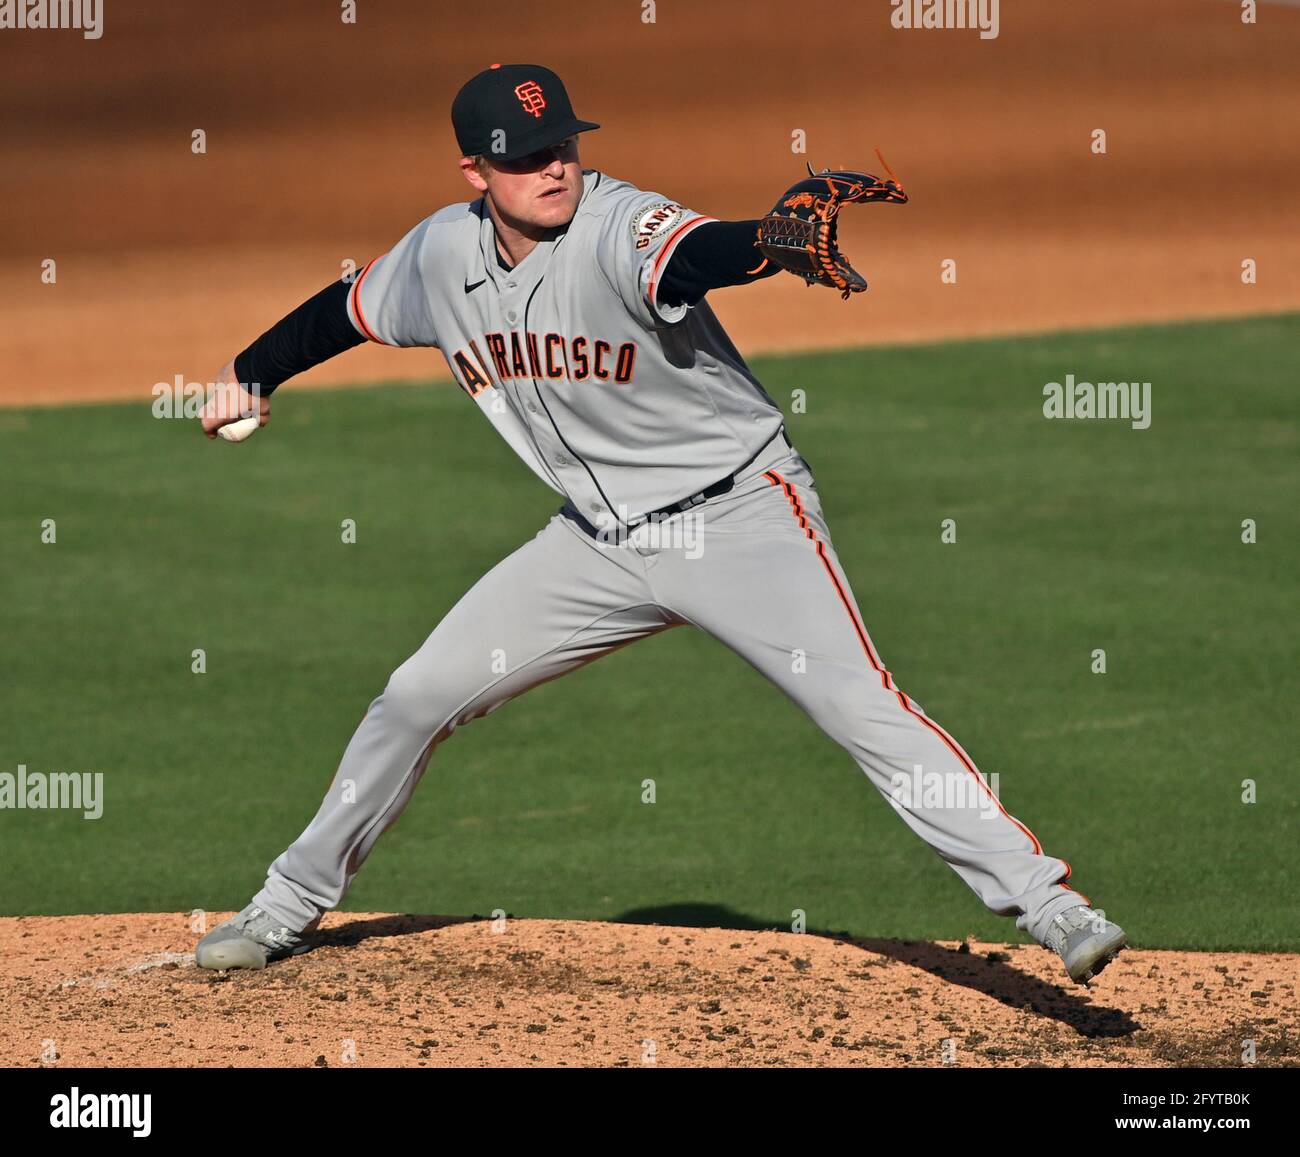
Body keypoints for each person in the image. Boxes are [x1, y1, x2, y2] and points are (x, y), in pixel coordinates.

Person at [195, 63, 1126, 985]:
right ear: (474, 174)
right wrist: (251, 370)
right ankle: (285, 904)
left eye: (561, 145)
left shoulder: (616, 223)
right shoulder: (442, 256)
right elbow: (348, 307)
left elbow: (697, 249)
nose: (554, 168)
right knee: (412, 696)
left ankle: (1052, 906)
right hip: (595, 544)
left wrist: (767, 240)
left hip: (741, 517)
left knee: (860, 705)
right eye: (524, 157)